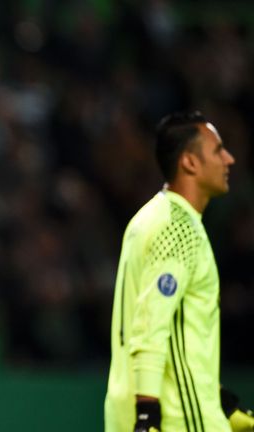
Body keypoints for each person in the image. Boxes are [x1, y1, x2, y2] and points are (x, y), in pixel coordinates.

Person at [103, 111, 254, 432]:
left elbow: (176, 336)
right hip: (179, 417)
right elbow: (151, 325)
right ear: (190, 163)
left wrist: (220, 402)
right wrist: (147, 416)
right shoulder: (179, 229)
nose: (229, 159)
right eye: (218, 150)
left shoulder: (147, 219)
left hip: (134, 408)